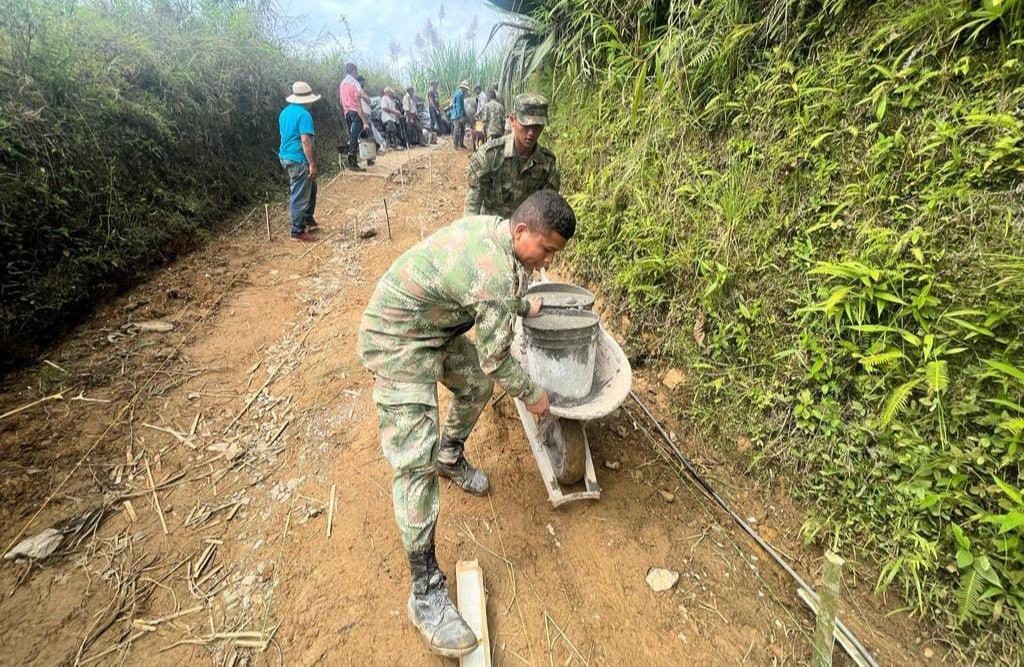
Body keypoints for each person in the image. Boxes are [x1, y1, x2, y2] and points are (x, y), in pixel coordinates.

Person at [357, 190, 575, 657]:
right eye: (547, 251)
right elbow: (498, 357)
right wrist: (536, 397)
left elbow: (490, 293)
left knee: (474, 385)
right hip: (397, 336)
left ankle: (449, 454)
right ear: (522, 231)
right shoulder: (495, 269)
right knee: (413, 463)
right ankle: (425, 592)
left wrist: (522, 307)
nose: (545, 264)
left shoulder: (498, 235)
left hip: (431, 326)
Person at [464, 93, 560, 217]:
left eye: (537, 126)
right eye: (526, 125)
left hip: (525, 230)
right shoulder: (490, 155)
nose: (531, 133)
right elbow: (472, 206)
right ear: (512, 120)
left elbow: (547, 209)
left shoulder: (547, 163)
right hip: (491, 229)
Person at [277, 81, 321, 243]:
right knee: (299, 194)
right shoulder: (304, 115)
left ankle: (307, 217)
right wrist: (312, 164)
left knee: (311, 186)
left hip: (285, 156)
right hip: (297, 159)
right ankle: (297, 231)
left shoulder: (284, 113)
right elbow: (305, 141)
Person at [340, 63, 371, 171]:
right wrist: (364, 121)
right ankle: (353, 164)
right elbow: (358, 104)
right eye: (356, 71)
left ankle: (367, 158)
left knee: (353, 137)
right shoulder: (355, 84)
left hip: (347, 113)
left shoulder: (342, 84)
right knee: (357, 137)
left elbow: (342, 101)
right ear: (353, 71)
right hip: (355, 113)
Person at [450, 80, 469, 149]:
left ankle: (461, 143)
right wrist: (461, 116)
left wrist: (465, 115)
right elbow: (458, 106)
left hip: (459, 114)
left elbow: (462, 107)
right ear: (463, 88)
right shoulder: (459, 94)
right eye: (466, 89)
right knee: (457, 129)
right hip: (457, 115)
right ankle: (455, 144)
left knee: (462, 129)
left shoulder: (461, 94)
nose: (466, 90)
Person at [463, 86, 479, 151]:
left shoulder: (464, 101)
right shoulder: (474, 99)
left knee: (468, 127)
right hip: (474, 115)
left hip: (467, 115)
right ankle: (474, 142)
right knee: (474, 128)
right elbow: (477, 108)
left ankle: (469, 137)